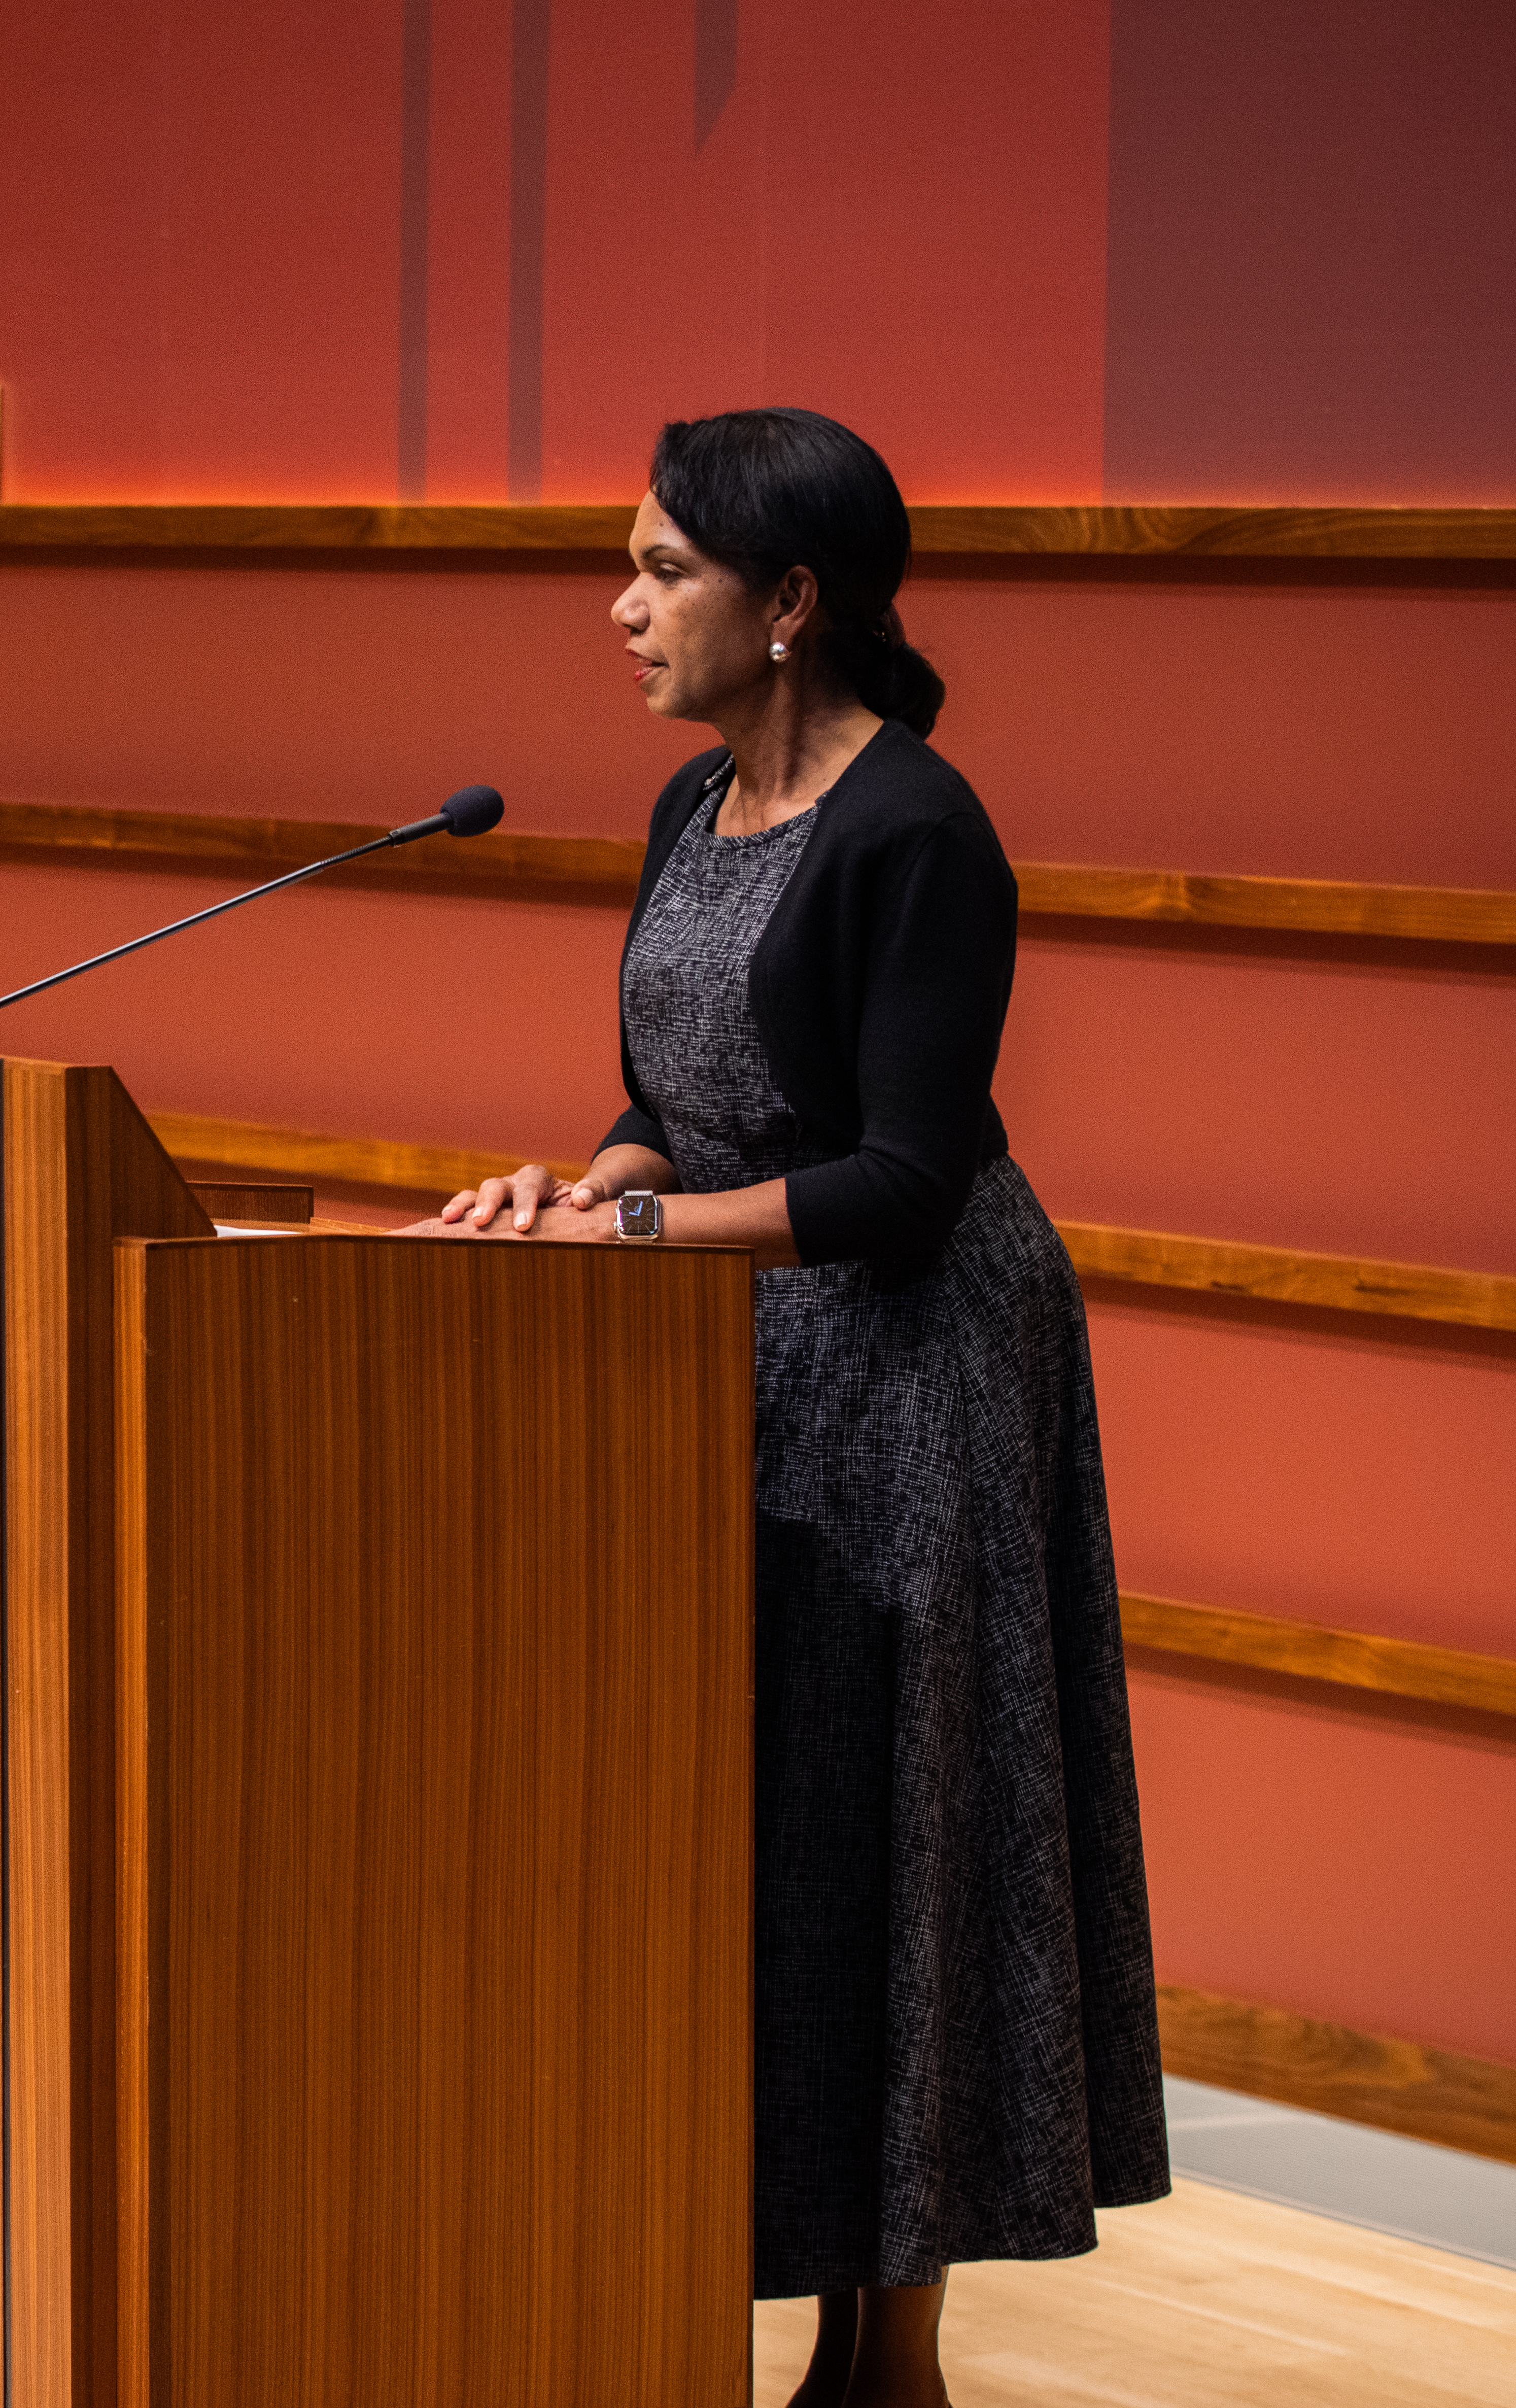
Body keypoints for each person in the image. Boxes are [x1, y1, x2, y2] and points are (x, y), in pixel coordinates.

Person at [414, 410, 1166, 2408]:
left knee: (897, 1828)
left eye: (664, 567)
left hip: (920, 1374)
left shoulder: (918, 829)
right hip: (742, 1363)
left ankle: (887, 2346)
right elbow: (673, 1110)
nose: (623, 603)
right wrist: (583, 1183)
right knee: (776, 1830)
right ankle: (779, 2289)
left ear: (792, 601)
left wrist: (636, 1243)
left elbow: (907, 1180)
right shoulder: (689, 806)